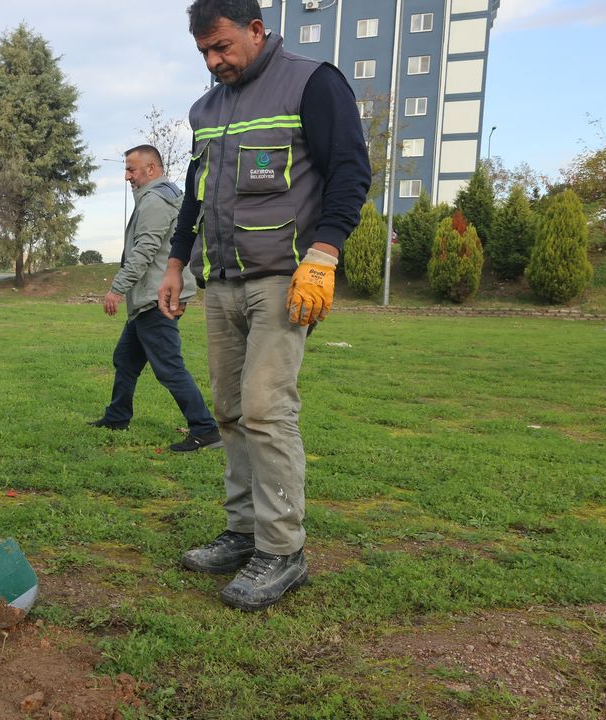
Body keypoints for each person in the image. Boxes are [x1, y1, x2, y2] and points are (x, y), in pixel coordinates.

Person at [158, 0, 370, 611]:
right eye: (203, 51)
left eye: (221, 46)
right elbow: (194, 199)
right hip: (221, 281)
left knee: (265, 407)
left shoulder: (312, 82)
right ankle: (244, 531)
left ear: (256, 30)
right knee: (228, 409)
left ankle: (283, 549)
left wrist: (325, 252)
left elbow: (351, 171)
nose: (213, 60)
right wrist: (176, 263)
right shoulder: (206, 109)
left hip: (286, 277)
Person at [89, 145, 220, 453]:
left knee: (169, 367)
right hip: (151, 298)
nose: (126, 176)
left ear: (151, 169)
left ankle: (205, 429)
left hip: (156, 298)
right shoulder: (162, 196)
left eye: (131, 170)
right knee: (125, 359)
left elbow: (144, 251)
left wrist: (117, 288)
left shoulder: (155, 200)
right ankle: (117, 417)